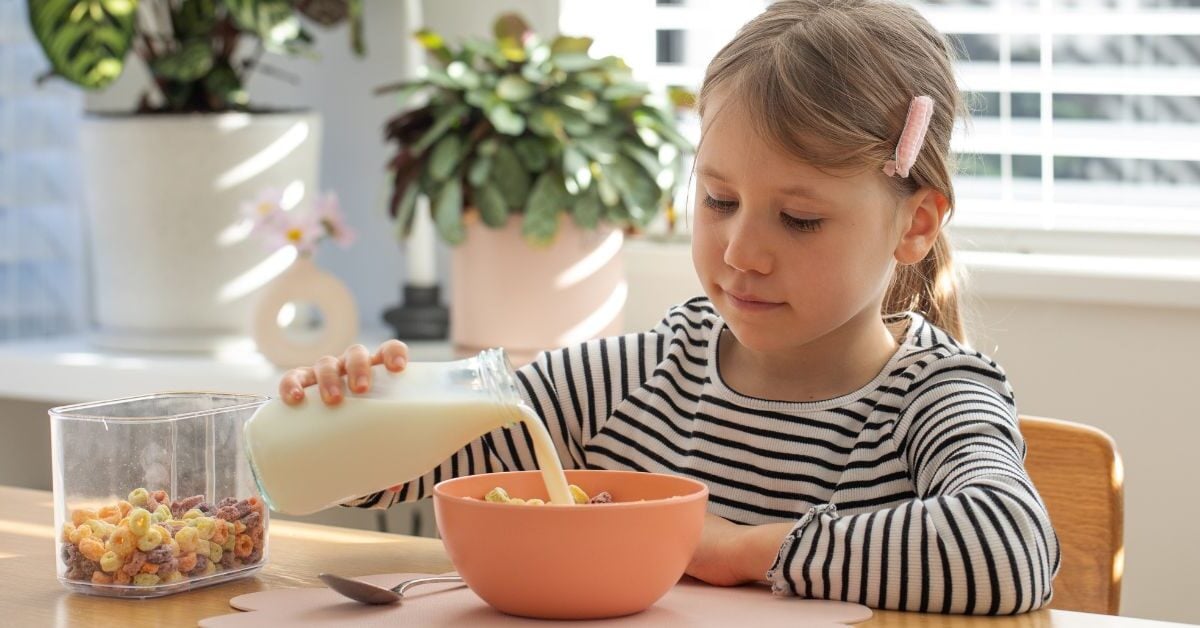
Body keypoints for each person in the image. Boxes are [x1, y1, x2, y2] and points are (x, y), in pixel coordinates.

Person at [278, 0, 1059, 615]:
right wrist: (359, 416)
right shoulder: (643, 375)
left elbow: (1008, 548)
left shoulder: (935, 397)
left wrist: (740, 550)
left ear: (915, 224)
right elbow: (429, 458)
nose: (740, 252)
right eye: (719, 199)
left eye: (800, 219)